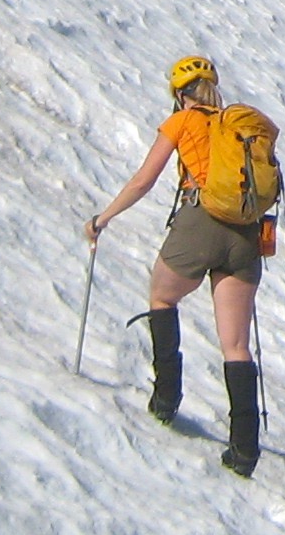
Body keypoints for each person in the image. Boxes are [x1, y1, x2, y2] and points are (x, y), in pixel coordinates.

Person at [89, 54, 273, 476]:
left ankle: (165, 399)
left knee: (162, 297)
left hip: (198, 222)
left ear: (179, 93)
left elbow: (143, 180)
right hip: (245, 235)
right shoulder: (237, 128)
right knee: (236, 345)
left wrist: (103, 219)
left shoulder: (182, 123)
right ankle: (244, 450)